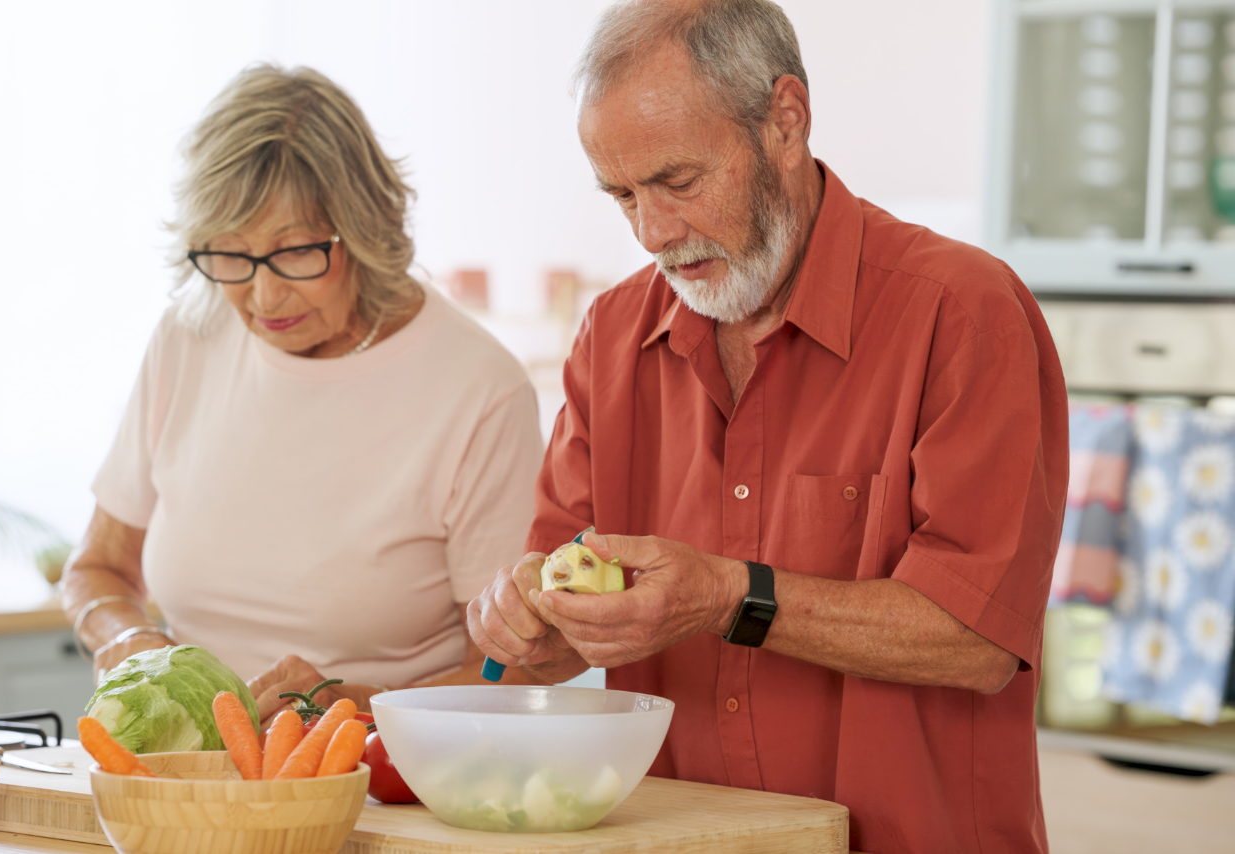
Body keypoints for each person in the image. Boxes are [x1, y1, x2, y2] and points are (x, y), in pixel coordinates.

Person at [467, 2, 1067, 852]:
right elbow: (558, 633)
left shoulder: (962, 313)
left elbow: (977, 639)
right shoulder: (609, 338)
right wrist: (521, 620)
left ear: (786, 119)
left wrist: (726, 596)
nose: (654, 232)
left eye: (678, 181)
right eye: (623, 196)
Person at [61, 64, 545, 728]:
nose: (263, 298)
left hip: (374, 782)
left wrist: (361, 709)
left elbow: (510, 669)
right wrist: (126, 642)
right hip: (188, 775)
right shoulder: (191, 332)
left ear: (366, 230)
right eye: (229, 254)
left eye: (294, 253)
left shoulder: (480, 390)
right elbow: (98, 567)